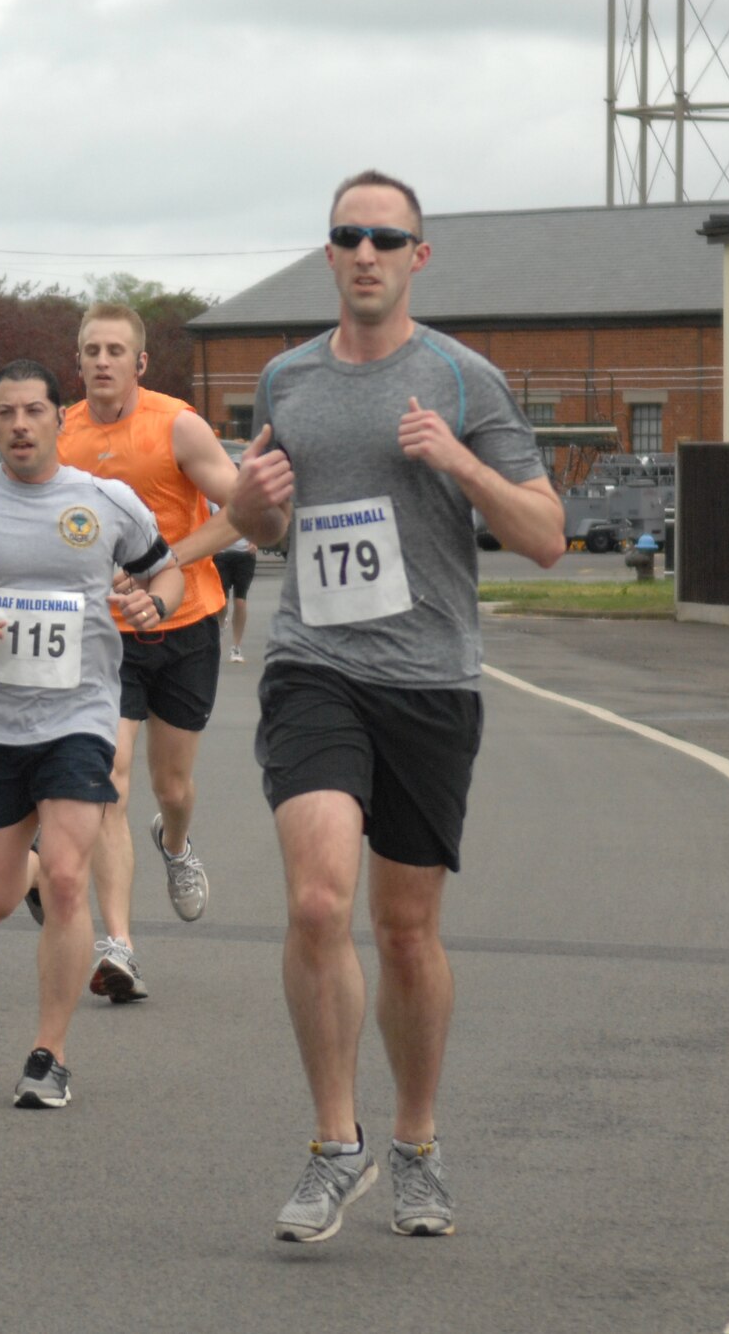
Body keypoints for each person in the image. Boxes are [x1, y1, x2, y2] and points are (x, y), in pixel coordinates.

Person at [228, 170, 563, 1242]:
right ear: (326, 255)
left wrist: (455, 457)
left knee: (405, 929)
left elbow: (545, 535)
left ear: (417, 257)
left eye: (385, 237)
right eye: (345, 236)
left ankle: (415, 1140)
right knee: (319, 900)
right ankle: (336, 1142)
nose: (363, 252)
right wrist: (250, 502)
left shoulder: (462, 380)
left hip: (425, 676)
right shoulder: (283, 380)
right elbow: (260, 530)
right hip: (313, 664)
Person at [0, 359, 185, 1108]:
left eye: (33, 411)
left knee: (66, 876)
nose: (19, 425)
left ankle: (48, 1055)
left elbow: (165, 571)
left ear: (61, 418)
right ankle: (27, 869)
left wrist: (156, 604)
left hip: (80, 716)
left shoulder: (104, 501)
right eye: (5, 414)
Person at [41, 302, 243, 1003]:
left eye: (114, 351)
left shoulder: (177, 425)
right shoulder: (57, 433)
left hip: (186, 623)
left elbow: (243, 512)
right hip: (104, 635)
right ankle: (117, 944)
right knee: (113, 776)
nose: (101, 361)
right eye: (90, 350)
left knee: (173, 789)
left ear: (140, 362)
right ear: (78, 361)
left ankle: (176, 844)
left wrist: (168, 564)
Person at [212, 504, 259, 664]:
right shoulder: (212, 498)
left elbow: (257, 519)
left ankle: (236, 647)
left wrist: (255, 541)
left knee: (240, 601)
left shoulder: (247, 498)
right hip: (221, 554)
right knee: (222, 601)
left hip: (245, 554)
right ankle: (220, 623)